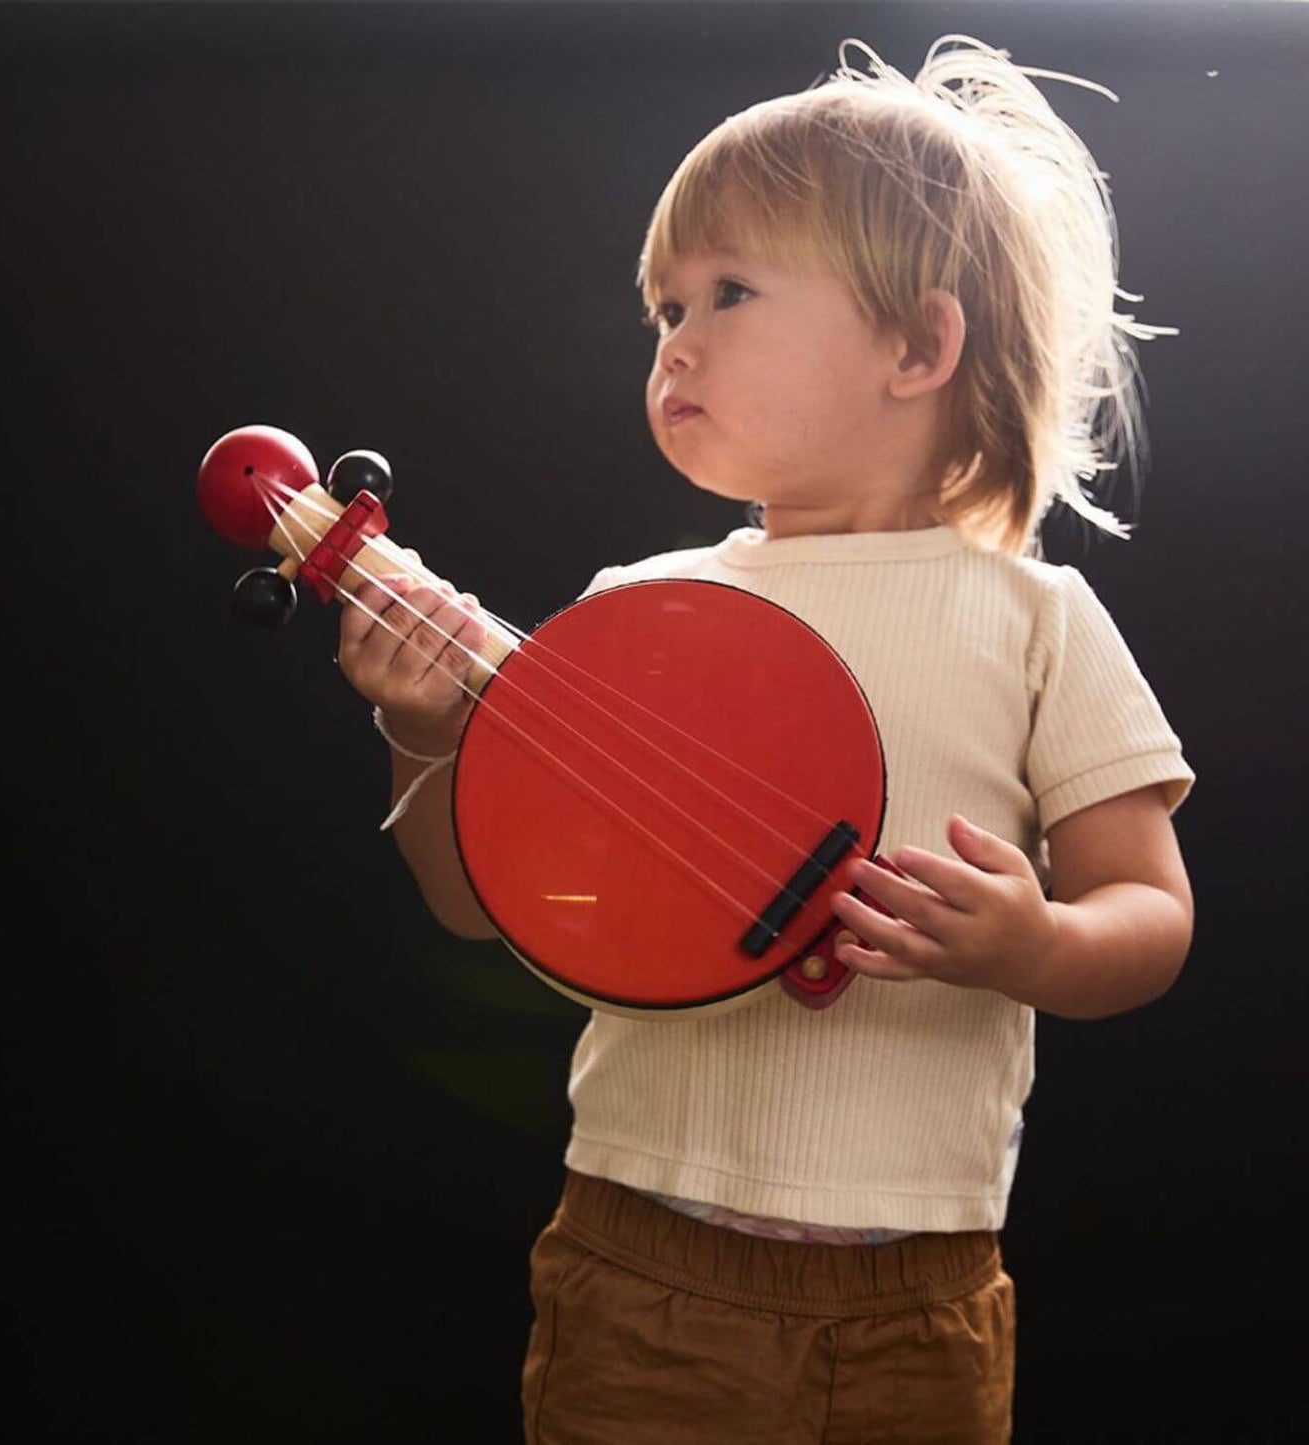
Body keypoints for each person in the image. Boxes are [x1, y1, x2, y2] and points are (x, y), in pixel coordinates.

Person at [336, 34, 1195, 1444]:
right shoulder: (633, 613)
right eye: (662, 308)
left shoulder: (1035, 617)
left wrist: (1030, 945)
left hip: (920, 1285)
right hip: (641, 1255)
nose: (675, 338)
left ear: (916, 346)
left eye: (727, 291)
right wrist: (421, 728)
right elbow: (479, 906)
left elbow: (1149, 911)